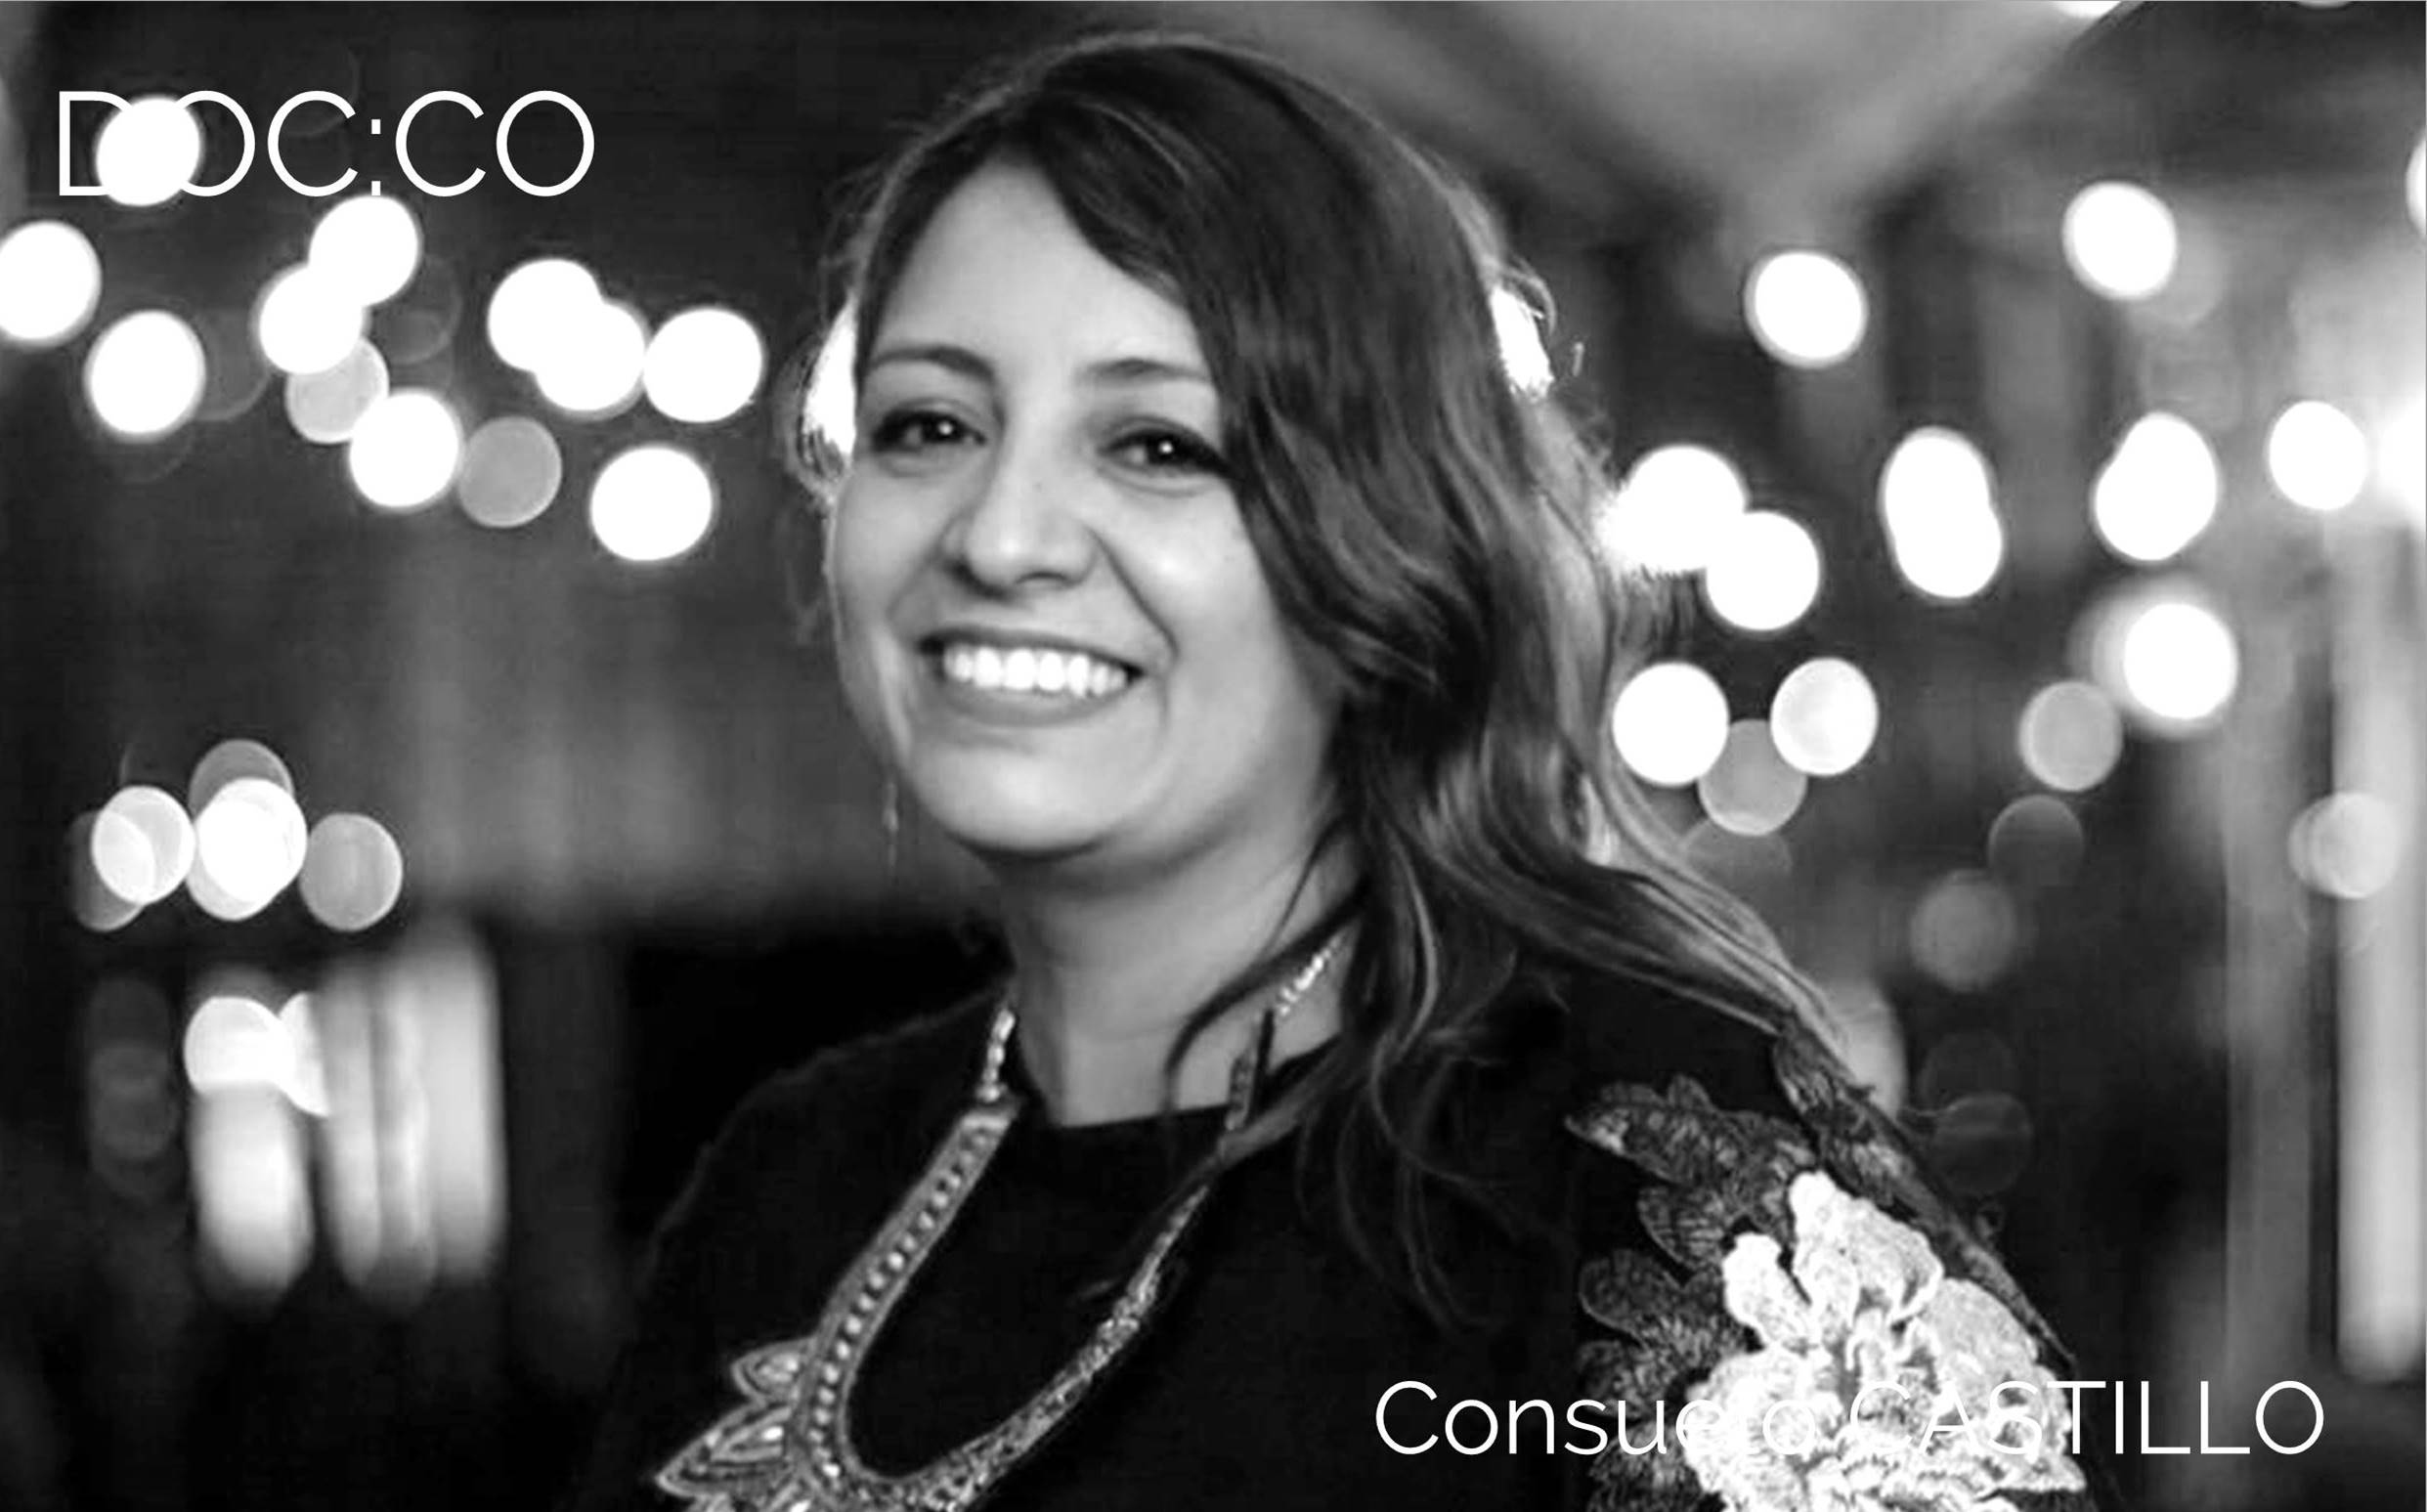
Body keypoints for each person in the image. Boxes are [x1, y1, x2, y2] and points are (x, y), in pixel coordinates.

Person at [565, 31, 2104, 1512]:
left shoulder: (1658, 1172)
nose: (1001, 536)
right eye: (930, 423)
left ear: (1391, 540)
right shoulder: (795, 1178)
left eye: (1158, 445)